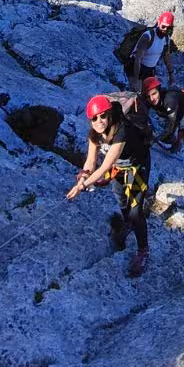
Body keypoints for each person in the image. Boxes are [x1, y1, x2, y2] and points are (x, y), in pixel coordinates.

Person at [65, 92, 154, 276]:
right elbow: (91, 162)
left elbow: (105, 166)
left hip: (137, 165)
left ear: (110, 115)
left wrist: (81, 186)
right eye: (94, 118)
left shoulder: (121, 130)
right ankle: (127, 223)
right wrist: (84, 175)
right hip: (119, 167)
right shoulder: (94, 135)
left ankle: (143, 250)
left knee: (136, 210)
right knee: (121, 198)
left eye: (103, 116)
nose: (99, 121)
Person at [127, 11, 178, 98]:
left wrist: (171, 74)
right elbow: (137, 59)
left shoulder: (166, 39)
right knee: (137, 95)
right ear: (158, 23)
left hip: (149, 70)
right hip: (135, 67)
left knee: (150, 95)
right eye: (163, 26)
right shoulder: (147, 36)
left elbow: (166, 56)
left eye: (168, 28)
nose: (165, 29)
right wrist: (136, 80)